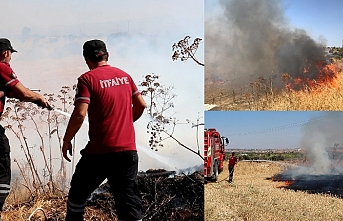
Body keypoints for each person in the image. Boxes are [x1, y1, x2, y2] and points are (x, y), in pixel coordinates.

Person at [62, 39, 146, 221]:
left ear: (86, 59)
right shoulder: (125, 76)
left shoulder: (87, 79)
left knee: (77, 195)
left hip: (99, 154)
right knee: (128, 203)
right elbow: (141, 105)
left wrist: (66, 139)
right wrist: (124, 121)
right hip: (128, 153)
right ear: (107, 55)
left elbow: (80, 114)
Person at [0, 38, 49, 218]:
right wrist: (39, 99)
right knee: (2, 167)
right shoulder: (2, 67)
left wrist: (6, 92)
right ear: (6, 53)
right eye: (10, 54)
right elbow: (24, 93)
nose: (10, 57)